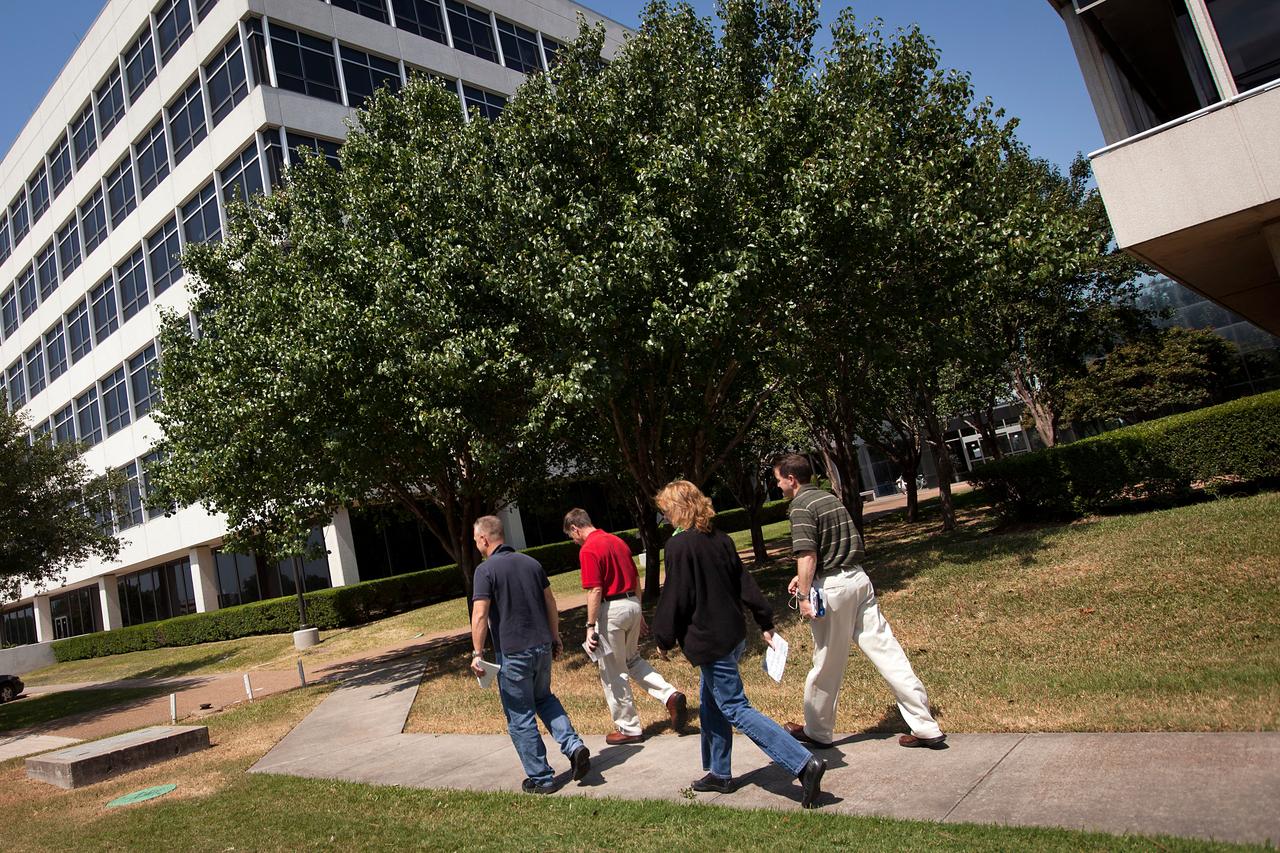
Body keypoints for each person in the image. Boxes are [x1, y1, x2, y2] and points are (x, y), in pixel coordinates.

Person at [650, 480, 826, 809]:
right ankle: (719, 772)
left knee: (734, 707)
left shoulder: (678, 547)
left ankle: (803, 764)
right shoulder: (721, 540)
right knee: (711, 702)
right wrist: (765, 623)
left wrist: (663, 638)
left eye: (666, 510)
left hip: (710, 641)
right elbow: (746, 584)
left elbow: (676, 596)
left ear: (678, 508)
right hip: (733, 636)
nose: (666, 517)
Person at [771, 453, 946, 750]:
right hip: (858, 579)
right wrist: (804, 579)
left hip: (834, 590)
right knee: (888, 653)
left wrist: (803, 595)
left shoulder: (800, 506)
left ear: (791, 479)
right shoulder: (828, 498)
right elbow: (834, 546)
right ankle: (926, 726)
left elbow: (808, 554)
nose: (777, 486)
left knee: (826, 662)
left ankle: (817, 731)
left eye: (778, 480)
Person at [469, 515, 591, 793]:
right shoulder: (531, 563)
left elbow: (480, 614)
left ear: (484, 539)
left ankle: (541, 778)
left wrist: (477, 652)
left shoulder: (485, 571)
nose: (477, 545)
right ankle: (574, 746)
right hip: (541, 646)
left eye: (477, 540)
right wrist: (555, 636)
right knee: (544, 699)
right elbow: (551, 602)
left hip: (513, 652)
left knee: (520, 714)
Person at [563, 508, 687, 744]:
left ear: (575, 529)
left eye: (572, 536)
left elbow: (595, 590)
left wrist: (590, 626)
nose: (574, 541)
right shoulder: (617, 541)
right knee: (632, 660)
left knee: (612, 671)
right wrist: (638, 611)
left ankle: (628, 728)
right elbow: (636, 579)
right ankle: (670, 695)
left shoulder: (589, 549)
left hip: (611, 611)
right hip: (631, 603)